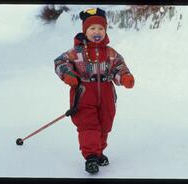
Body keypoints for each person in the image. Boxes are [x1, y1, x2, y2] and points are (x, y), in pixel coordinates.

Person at [54, 8, 135, 174]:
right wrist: (68, 75)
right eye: (92, 29)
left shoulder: (111, 53)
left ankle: (99, 152)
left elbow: (119, 68)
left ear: (105, 31)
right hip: (84, 94)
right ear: (85, 30)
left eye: (100, 28)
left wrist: (125, 77)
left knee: (105, 124)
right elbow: (60, 62)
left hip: (106, 94)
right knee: (88, 125)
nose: (96, 32)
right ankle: (90, 156)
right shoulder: (76, 52)